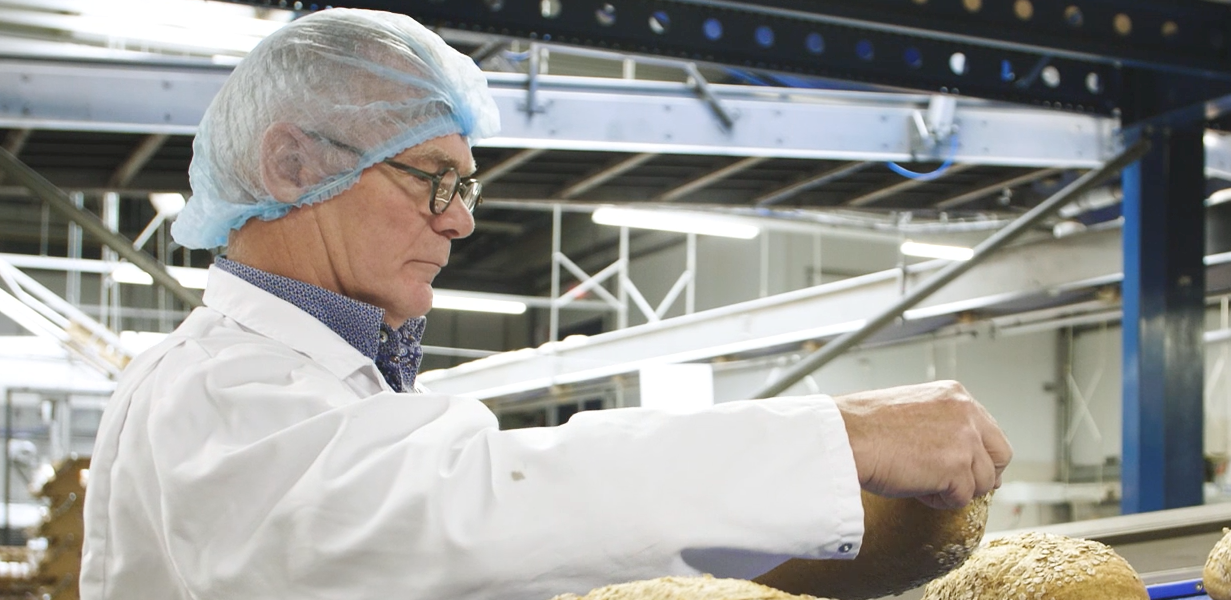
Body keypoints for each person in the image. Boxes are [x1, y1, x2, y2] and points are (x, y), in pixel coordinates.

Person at [80, 9, 1011, 600]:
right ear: (293, 165)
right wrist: (836, 436)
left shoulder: (322, 384)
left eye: (466, 189)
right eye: (433, 181)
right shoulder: (216, 392)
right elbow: (456, 512)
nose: (460, 225)